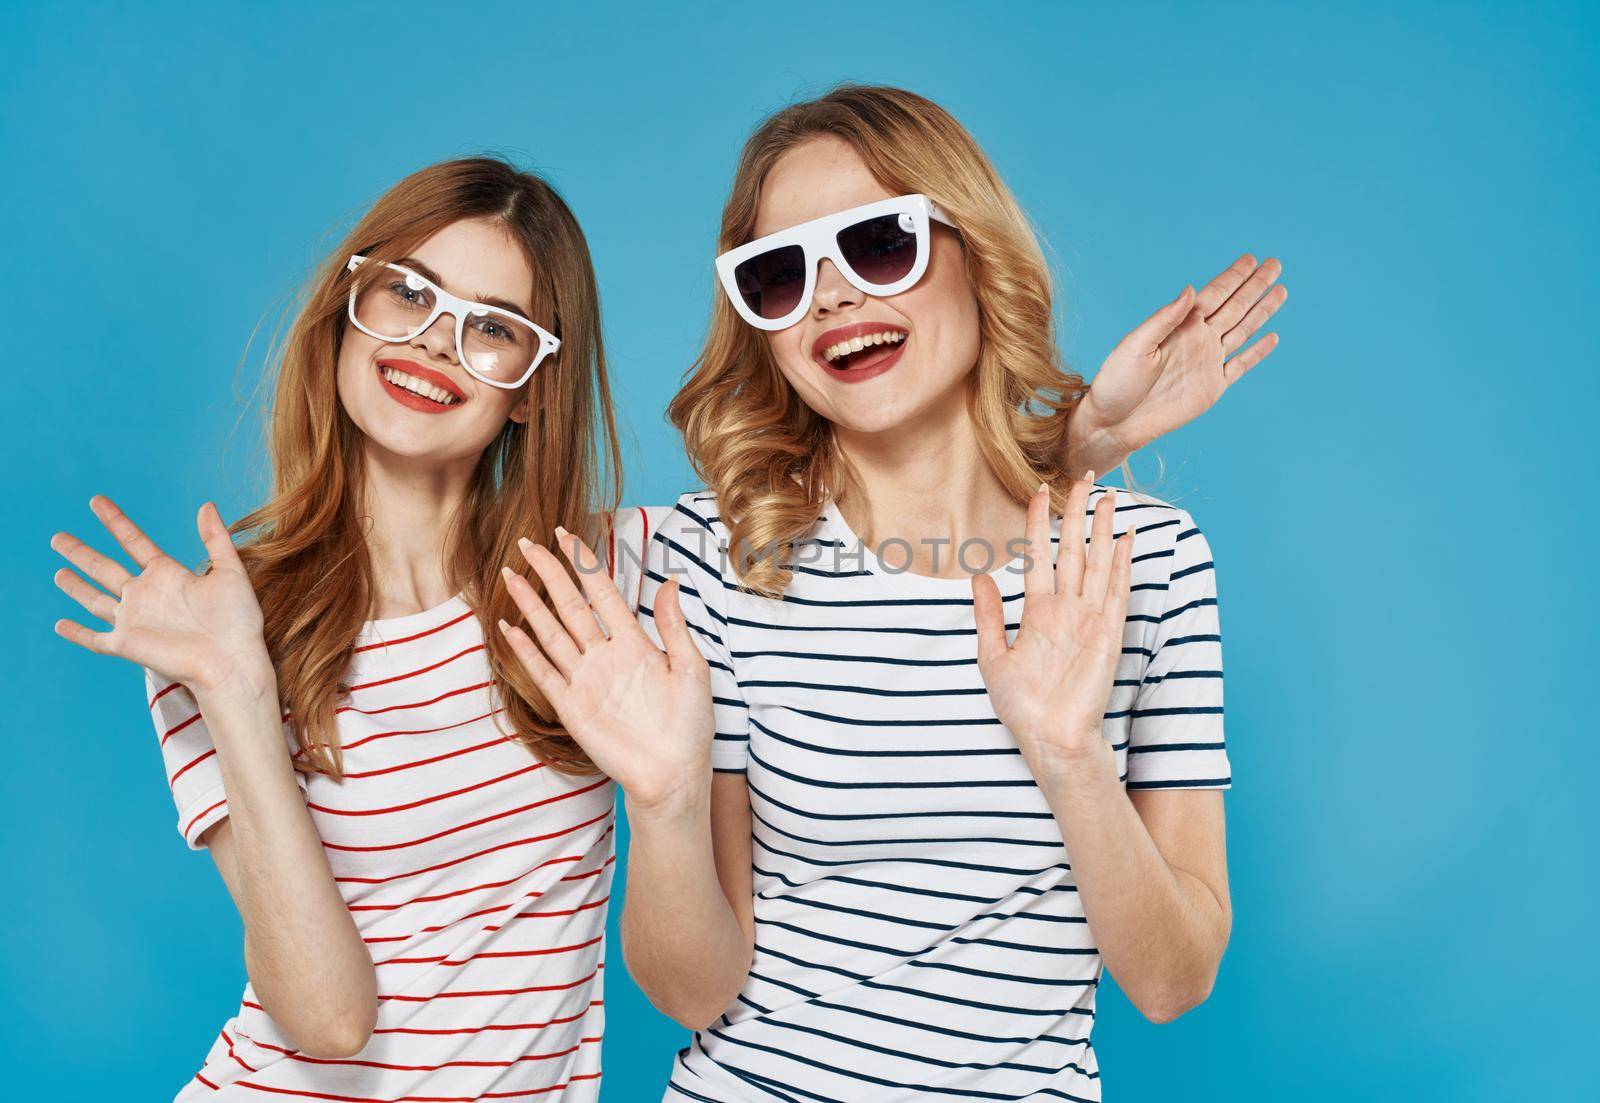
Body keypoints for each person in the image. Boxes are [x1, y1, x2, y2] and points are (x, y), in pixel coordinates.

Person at [505, 85, 1284, 1102]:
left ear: (975, 252)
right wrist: (661, 801)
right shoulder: (713, 558)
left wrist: (1069, 755)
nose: (828, 296)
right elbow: (692, 990)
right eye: (779, 275)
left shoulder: (1144, 560)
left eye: (877, 244)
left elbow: (1173, 979)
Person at [49, 157, 655, 1100]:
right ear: (346, 313)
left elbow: (849, 515)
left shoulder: (603, 580)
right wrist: (239, 686)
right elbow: (328, 1019)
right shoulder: (226, 628)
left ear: (535, 385)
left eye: (491, 326)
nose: (434, 341)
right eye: (407, 292)